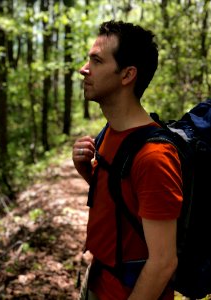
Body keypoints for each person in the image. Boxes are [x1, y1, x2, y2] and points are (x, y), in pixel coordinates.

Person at [72, 20, 183, 300]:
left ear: (127, 75)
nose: (83, 69)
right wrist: (88, 173)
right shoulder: (110, 131)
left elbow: (163, 263)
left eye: (96, 61)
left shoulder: (154, 157)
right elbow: (126, 201)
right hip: (99, 278)